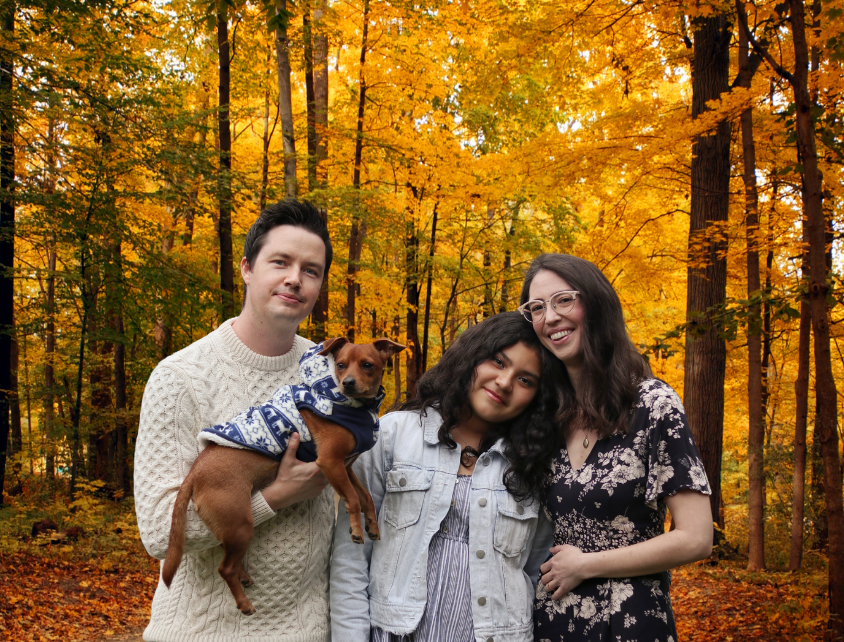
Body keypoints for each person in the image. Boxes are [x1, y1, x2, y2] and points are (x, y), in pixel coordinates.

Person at [134, 199, 333, 642]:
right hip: (203, 633)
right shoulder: (180, 377)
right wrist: (276, 496)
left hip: (309, 632)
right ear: (246, 268)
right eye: (280, 262)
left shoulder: (328, 371)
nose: (295, 278)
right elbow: (160, 532)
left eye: (311, 270)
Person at [331, 311, 565, 642]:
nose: (504, 382)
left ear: (538, 397)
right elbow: (350, 561)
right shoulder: (393, 434)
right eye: (498, 362)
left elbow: (535, 573)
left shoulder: (534, 465)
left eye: (526, 380)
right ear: (471, 357)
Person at [518, 253, 713, 642]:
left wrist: (586, 565)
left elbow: (696, 537)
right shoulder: (546, 417)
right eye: (536, 308)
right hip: (552, 623)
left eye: (563, 300)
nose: (550, 317)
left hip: (630, 622)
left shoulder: (652, 404)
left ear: (596, 303)